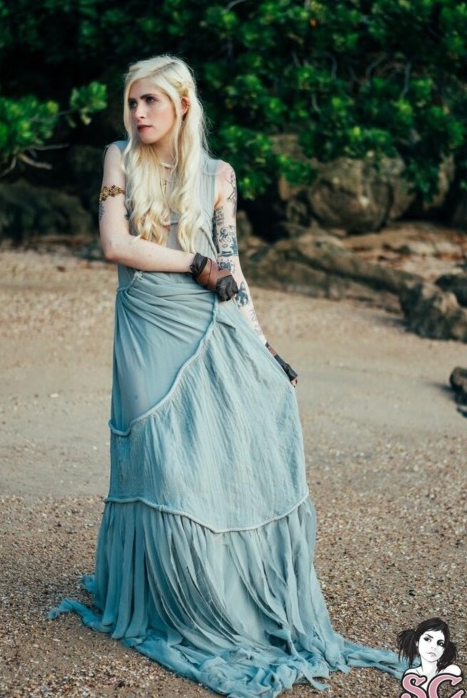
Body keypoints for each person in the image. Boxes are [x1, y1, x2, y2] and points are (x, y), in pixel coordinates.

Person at [49, 55, 404, 697]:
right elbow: (115, 244)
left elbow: (232, 266)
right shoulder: (117, 158)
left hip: (213, 323)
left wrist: (264, 344)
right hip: (148, 326)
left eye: (152, 101)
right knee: (159, 459)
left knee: (219, 457)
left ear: (182, 105)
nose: (138, 113)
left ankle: (220, 598)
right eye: (132, 102)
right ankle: (161, 599)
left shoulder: (219, 175)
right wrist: (194, 263)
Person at [398, 617, 461, 692]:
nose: (433, 647)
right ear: (416, 642)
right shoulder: (411, 672)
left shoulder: (452, 670)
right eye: (427, 639)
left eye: (440, 643)